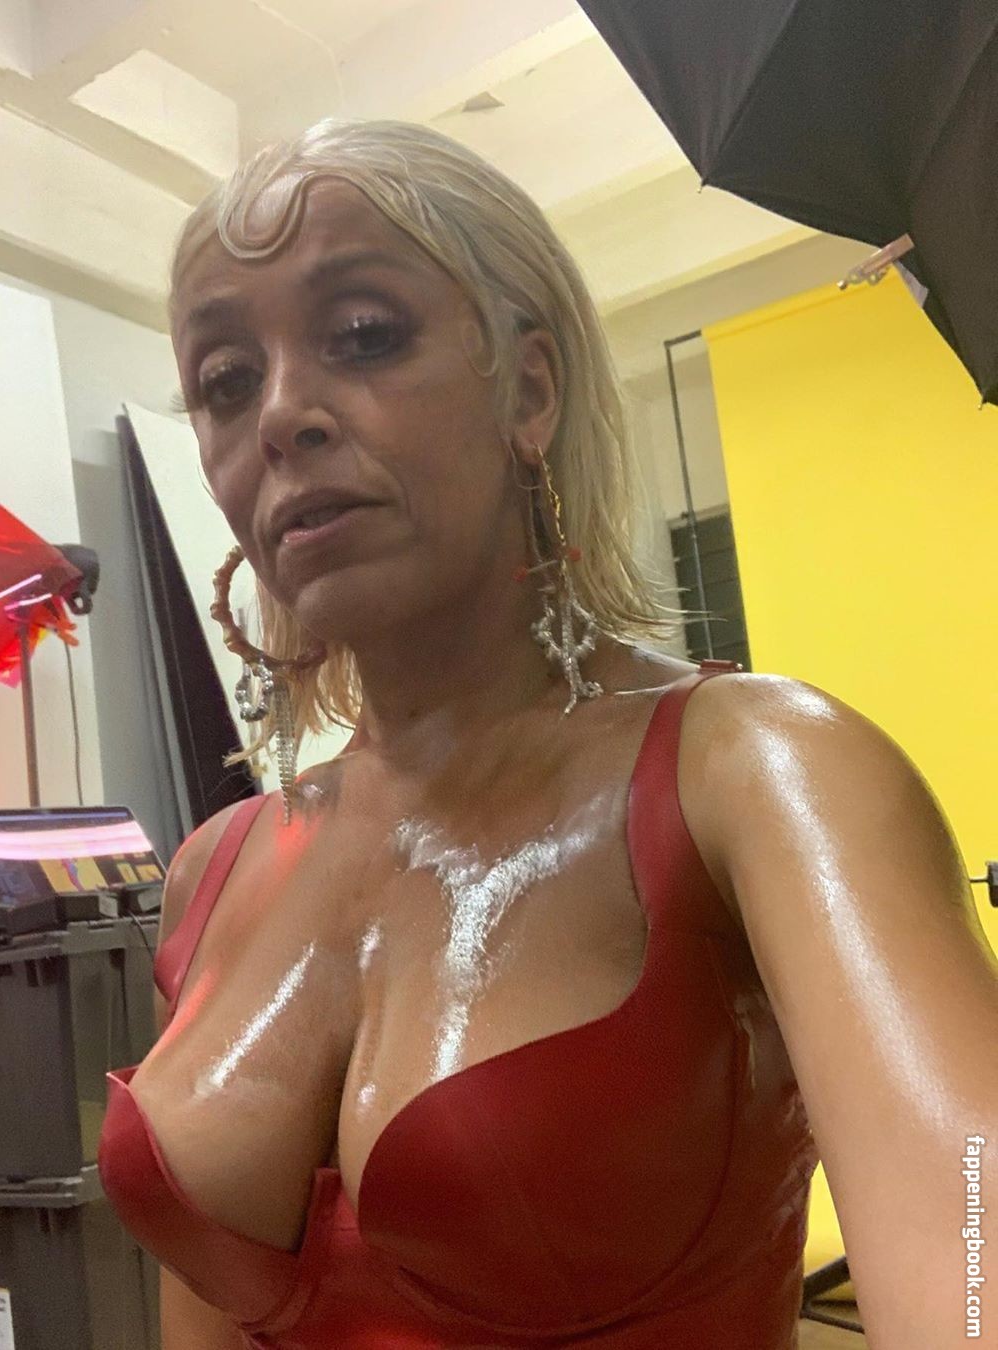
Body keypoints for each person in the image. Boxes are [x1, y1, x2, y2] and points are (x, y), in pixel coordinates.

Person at [97, 118, 998, 1350]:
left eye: (363, 335)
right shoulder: (213, 872)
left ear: (528, 390)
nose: (282, 415)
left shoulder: (760, 773)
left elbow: (970, 1233)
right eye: (224, 382)